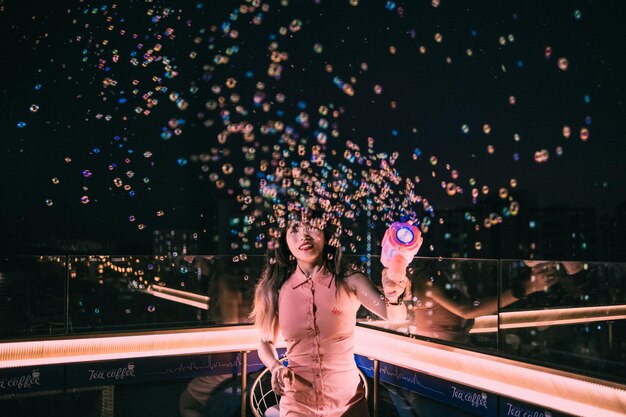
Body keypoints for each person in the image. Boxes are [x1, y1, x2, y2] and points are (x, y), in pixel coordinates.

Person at [250, 209, 414, 417]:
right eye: (294, 229)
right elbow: (265, 341)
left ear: (326, 232)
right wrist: (274, 366)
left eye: (311, 225)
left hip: (349, 405)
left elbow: (395, 317)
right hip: (297, 404)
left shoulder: (350, 281)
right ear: (284, 239)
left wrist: (394, 295)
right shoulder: (276, 289)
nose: (304, 235)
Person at [407, 259, 564, 344]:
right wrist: (527, 287)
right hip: (436, 361)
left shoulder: (448, 279)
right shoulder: (427, 280)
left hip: (449, 357)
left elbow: (477, 306)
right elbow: (467, 311)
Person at [179, 256, 254, 417]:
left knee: (186, 405)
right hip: (251, 359)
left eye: (194, 260)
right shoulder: (244, 282)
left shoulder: (224, 285)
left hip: (233, 362)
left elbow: (230, 329)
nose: (193, 264)